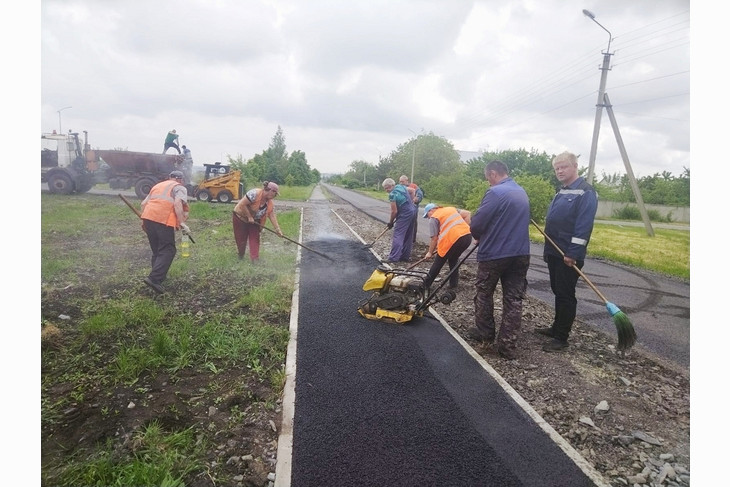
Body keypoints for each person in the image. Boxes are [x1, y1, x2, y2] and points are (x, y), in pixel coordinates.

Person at [535, 151, 598, 353]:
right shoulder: (562, 191)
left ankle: (561, 337)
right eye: (557, 168)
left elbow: (583, 226)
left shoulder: (585, 192)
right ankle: (555, 328)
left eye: (563, 167)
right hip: (554, 251)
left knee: (565, 295)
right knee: (557, 291)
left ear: (575, 166)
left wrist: (573, 253)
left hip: (567, 255)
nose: (560, 171)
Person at [468, 160, 531, 360]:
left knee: (484, 293)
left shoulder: (495, 193)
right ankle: (507, 346)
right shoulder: (521, 192)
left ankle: (485, 334)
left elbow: (478, 223)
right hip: (521, 254)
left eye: (488, 178)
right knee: (513, 299)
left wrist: (477, 233)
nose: (488, 182)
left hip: (495, 254)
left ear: (493, 174)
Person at [140, 170, 190, 294]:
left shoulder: (157, 186)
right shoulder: (179, 188)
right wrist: (182, 222)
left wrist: (145, 219)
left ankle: (158, 276)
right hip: (162, 219)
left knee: (157, 250)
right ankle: (154, 279)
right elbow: (178, 203)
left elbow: (143, 203)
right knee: (168, 249)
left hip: (148, 218)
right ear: (180, 179)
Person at [421, 203, 472, 289]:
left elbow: (434, 238)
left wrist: (429, 252)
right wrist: (464, 229)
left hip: (453, 240)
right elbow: (467, 213)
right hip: (467, 237)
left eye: (427, 215)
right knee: (453, 259)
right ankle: (453, 284)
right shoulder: (450, 209)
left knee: (439, 261)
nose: (428, 218)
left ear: (431, 210)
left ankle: (425, 285)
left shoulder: (434, 217)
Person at [232, 181, 283, 263]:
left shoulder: (269, 203)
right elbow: (242, 204)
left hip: (255, 221)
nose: (275, 196)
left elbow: (272, 215)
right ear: (270, 191)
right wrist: (249, 216)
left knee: (254, 238)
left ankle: (255, 259)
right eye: (275, 193)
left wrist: (278, 230)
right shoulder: (254, 193)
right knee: (241, 238)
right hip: (240, 217)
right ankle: (241, 255)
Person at [382, 177, 417, 263]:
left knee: (398, 235)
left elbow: (394, 211)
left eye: (387, 188)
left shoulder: (392, 194)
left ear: (390, 186)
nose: (386, 190)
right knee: (408, 234)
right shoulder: (400, 187)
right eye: (385, 188)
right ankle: (405, 257)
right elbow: (412, 190)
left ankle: (393, 258)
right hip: (412, 211)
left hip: (405, 213)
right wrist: (411, 202)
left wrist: (390, 222)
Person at [399, 175, 424, 243]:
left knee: (413, 223)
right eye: (400, 181)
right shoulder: (400, 188)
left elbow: (420, 195)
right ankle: (403, 237)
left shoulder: (414, 186)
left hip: (413, 208)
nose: (401, 183)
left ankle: (412, 239)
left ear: (407, 181)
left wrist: (416, 199)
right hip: (403, 209)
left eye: (402, 181)